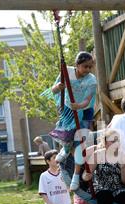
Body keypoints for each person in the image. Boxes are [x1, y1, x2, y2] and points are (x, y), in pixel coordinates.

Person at [47, 51, 98, 191]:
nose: (87, 70)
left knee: (80, 143)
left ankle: (75, 176)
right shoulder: (66, 72)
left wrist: (80, 106)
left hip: (85, 110)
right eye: (85, 66)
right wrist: (58, 87)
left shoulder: (92, 80)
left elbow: (88, 99)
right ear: (76, 64)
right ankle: (66, 147)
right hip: (69, 109)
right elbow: (53, 90)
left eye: (90, 67)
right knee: (68, 137)